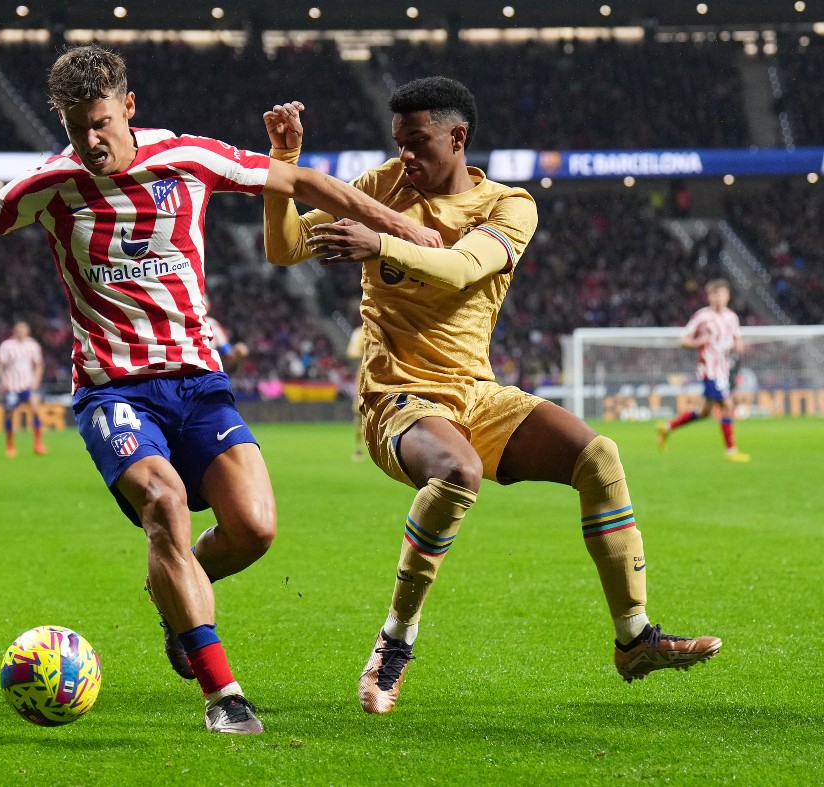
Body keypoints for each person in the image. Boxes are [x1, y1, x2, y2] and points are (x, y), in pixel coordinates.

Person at [0, 45, 435, 735]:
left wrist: (410, 230)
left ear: (129, 108)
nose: (91, 141)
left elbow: (309, 185)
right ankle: (224, 694)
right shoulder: (50, 185)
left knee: (256, 529)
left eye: (102, 123)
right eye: (76, 126)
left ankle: (173, 593)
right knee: (165, 502)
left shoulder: (188, 157)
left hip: (201, 383)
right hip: (115, 392)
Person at [262, 79, 722, 715]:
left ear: (458, 137)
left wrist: (380, 243)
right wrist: (283, 166)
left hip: (475, 394)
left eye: (418, 143)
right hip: (398, 394)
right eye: (398, 145)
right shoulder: (381, 187)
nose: (405, 159)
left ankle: (634, 638)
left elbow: (460, 267)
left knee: (600, 458)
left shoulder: (510, 206)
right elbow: (284, 249)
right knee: (457, 472)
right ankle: (395, 642)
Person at [657, 279, 749, 462]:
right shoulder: (702, 317)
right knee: (727, 406)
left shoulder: (732, 317)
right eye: (713, 295)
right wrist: (697, 342)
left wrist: (739, 345)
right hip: (709, 370)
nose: (717, 298)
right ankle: (731, 451)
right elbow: (683, 340)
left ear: (728, 296)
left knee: (704, 412)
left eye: (721, 294)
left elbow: (736, 337)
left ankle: (666, 428)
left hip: (724, 369)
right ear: (708, 297)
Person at [0, 320, 47, 457]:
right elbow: (0, 366)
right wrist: (4, 381)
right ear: (14, 331)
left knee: (36, 409)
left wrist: (36, 380)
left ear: (27, 331)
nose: (21, 332)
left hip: (28, 385)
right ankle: (10, 445)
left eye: (23, 330)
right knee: (9, 413)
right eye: (18, 330)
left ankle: (38, 443)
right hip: (12, 387)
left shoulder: (32, 345)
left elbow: (39, 365)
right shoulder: (7, 346)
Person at [346, 324, 366, 461]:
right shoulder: (359, 332)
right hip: (364, 377)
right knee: (359, 413)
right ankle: (359, 447)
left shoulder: (385, 326)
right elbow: (352, 352)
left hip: (387, 375)